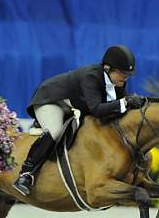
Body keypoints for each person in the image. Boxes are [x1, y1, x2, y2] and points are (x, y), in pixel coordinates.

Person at [13, 45, 146, 196]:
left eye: (128, 74)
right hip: (52, 100)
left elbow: (117, 106)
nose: (126, 77)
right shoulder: (91, 77)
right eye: (123, 73)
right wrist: (126, 102)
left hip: (75, 105)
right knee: (55, 131)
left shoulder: (118, 82)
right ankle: (26, 174)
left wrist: (133, 104)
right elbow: (96, 109)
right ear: (109, 69)